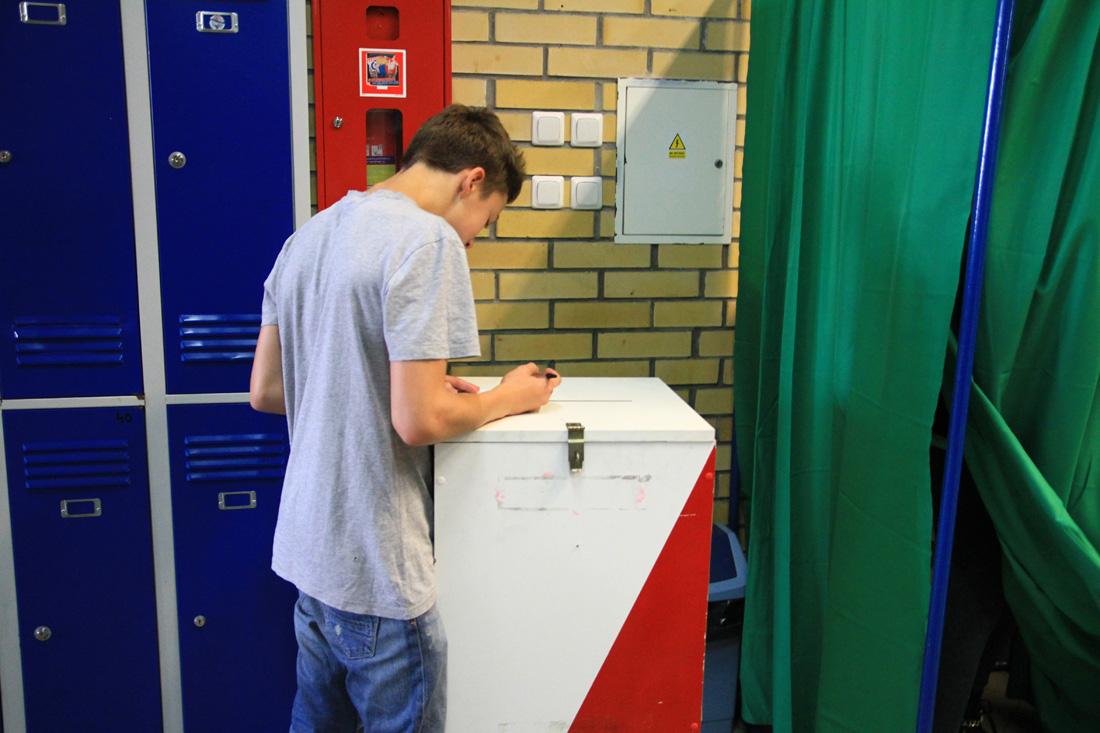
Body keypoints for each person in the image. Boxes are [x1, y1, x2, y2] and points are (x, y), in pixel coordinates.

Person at [249, 104, 562, 733]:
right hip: (378, 570)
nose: (474, 239)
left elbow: (269, 390)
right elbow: (419, 421)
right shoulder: (427, 239)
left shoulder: (309, 236)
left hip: (312, 562)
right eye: (487, 221)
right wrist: (510, 396)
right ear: (471, 180)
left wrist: (389, 383)